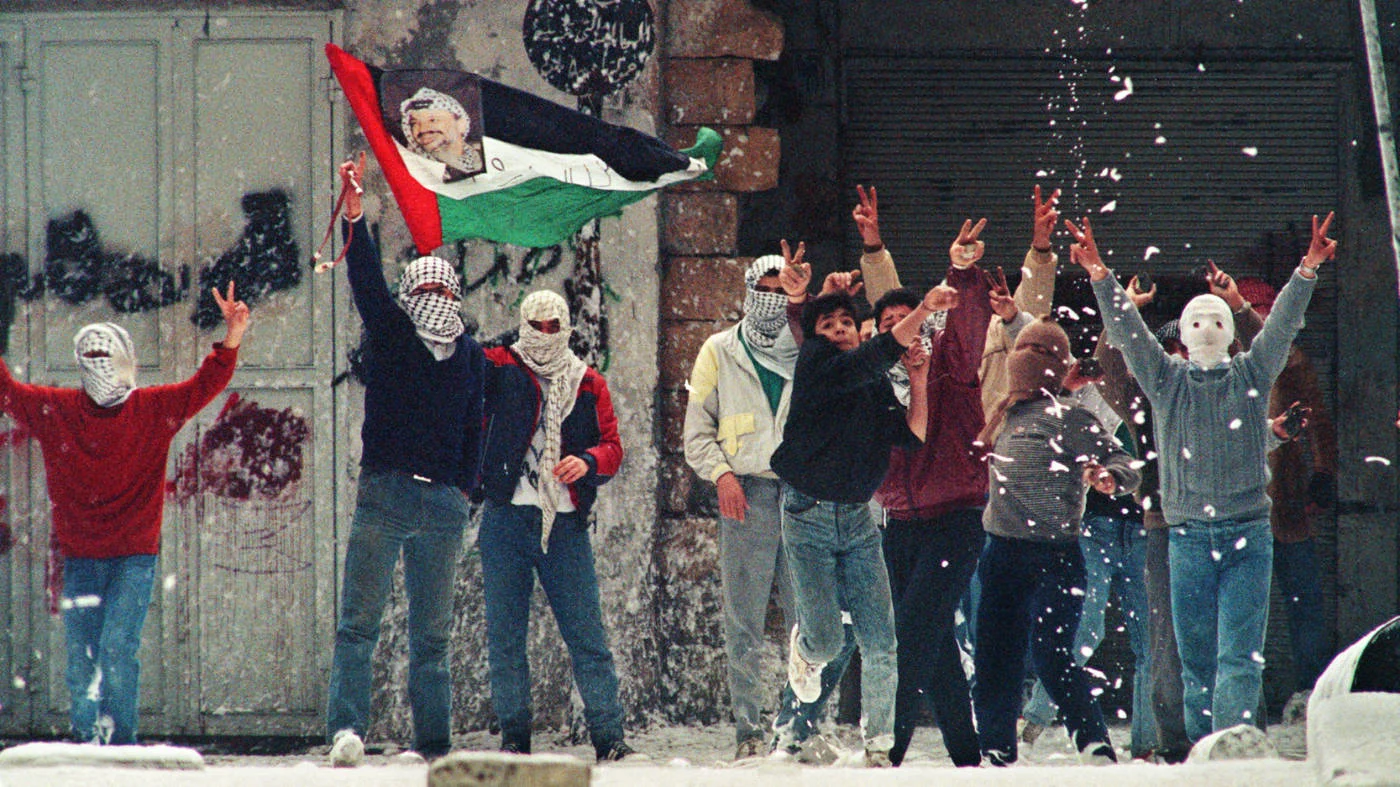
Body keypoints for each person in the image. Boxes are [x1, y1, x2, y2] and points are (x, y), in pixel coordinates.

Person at [1076, 211, 1337, 744]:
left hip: (1247, 533)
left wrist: (1306, 270)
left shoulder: (1252, 372)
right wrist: (1101, 275)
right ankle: (1201, 756)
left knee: (1238, 658)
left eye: (1216, 320)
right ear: (1185, 336)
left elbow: (1283, 325)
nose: (1205, 329)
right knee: (1195, 661)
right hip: (1187, 537)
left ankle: (1234, 755)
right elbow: (1129, 335)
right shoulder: (1166, 381)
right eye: (1196, 321)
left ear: (1231, 331)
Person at [0, 286, 249, 746]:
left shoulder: (151, 410)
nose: (99, 364)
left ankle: (121, 747)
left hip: (135, 556)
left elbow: (204, 386)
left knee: (116, 650)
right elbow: (7, 393)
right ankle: (86, 745)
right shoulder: (58, 410)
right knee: (82, 658)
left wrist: (232, 337)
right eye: (90, 355)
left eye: (106, 355)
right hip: (80, 557)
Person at [326, 154, 486, 766]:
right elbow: (365, 278)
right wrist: (354, 213)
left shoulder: (468, 354)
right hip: (386, 495)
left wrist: (463, 491)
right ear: (412, 293)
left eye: (445, 288)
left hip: (442, 507)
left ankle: (435, 746)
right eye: (427, 287)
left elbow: (475, 427)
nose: (437, 296)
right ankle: (346, 730)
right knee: (358, 625)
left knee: (432, 639)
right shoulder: (392, 333)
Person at [772, 246, 958, 768]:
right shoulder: (816, 364)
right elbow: (873, 353)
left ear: (860, 328)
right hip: (805, 514)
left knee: (881, 640)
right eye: (827, 324)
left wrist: (918, 378)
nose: (837, 330)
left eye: (845, 323)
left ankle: (878, 746)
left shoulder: (871, 380)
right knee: (829, 642)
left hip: (857, 520)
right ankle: (806, 648)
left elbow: (913, 435)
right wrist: (922, 310)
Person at [682, 254, 850, 761]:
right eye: (767, 288)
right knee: (745, 619)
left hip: (804, 496)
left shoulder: (810, 350)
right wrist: (723, 474)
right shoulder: (718, 351)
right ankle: (748, 730)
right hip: (747, 495)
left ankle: (803, 723)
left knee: (814, 620)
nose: (775, 299)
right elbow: (696, 433)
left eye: (785, 290)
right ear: (751, 290)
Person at [868, 219, 1020, 768]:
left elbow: (966, 318)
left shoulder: (951, 364)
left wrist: (961, 269)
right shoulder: (876, 381)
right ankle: (967, 758)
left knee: (909, 635)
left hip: (955, 516)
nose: (899, 331)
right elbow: (818, 363)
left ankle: (887, 751)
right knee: (933, 647)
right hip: (898, 523)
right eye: (887, 326)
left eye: (906, 320)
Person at [475, 289, 638, 763]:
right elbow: (464, 398)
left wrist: (587, 462)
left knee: (587, 634)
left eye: (554, 325)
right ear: (523, 323)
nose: (546, 334)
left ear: (566, 327)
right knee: (505, 633)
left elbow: (613, 447)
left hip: (563, 524)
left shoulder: (587, 382)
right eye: (537, 324)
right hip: (506, 516)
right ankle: (514, 737)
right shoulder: (499, 366)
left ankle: (608, 737)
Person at [973, 316, 1140, 766]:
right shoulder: (1005, 414)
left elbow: (1123, 459)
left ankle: (1094, 743)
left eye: (1039, 353)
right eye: (1023, 351)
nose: (1024, 361)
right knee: (995, 656)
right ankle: (995, 748)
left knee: (1051, 655)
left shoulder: (1071, 420)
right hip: (1002, 552)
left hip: (1055, 555)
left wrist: (1110, 477)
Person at [1235, 276, 1338, 703]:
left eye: (1266, 308)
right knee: (1241, 614)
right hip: (1238, 507)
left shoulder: (1293, 363)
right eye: (1253, 309)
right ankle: (1241, 700)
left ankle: (1309, 695)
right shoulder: (1222, 368)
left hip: (1288, 502)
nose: (1261, 317)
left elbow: (1319, 423)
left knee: (1304, 604)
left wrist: (1322, 474)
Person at [400, 86, 484, 180]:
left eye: (433, 120)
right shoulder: (410, 170)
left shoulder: (487, 157)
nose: (423, 129)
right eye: (414, 123)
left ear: (461, 124)